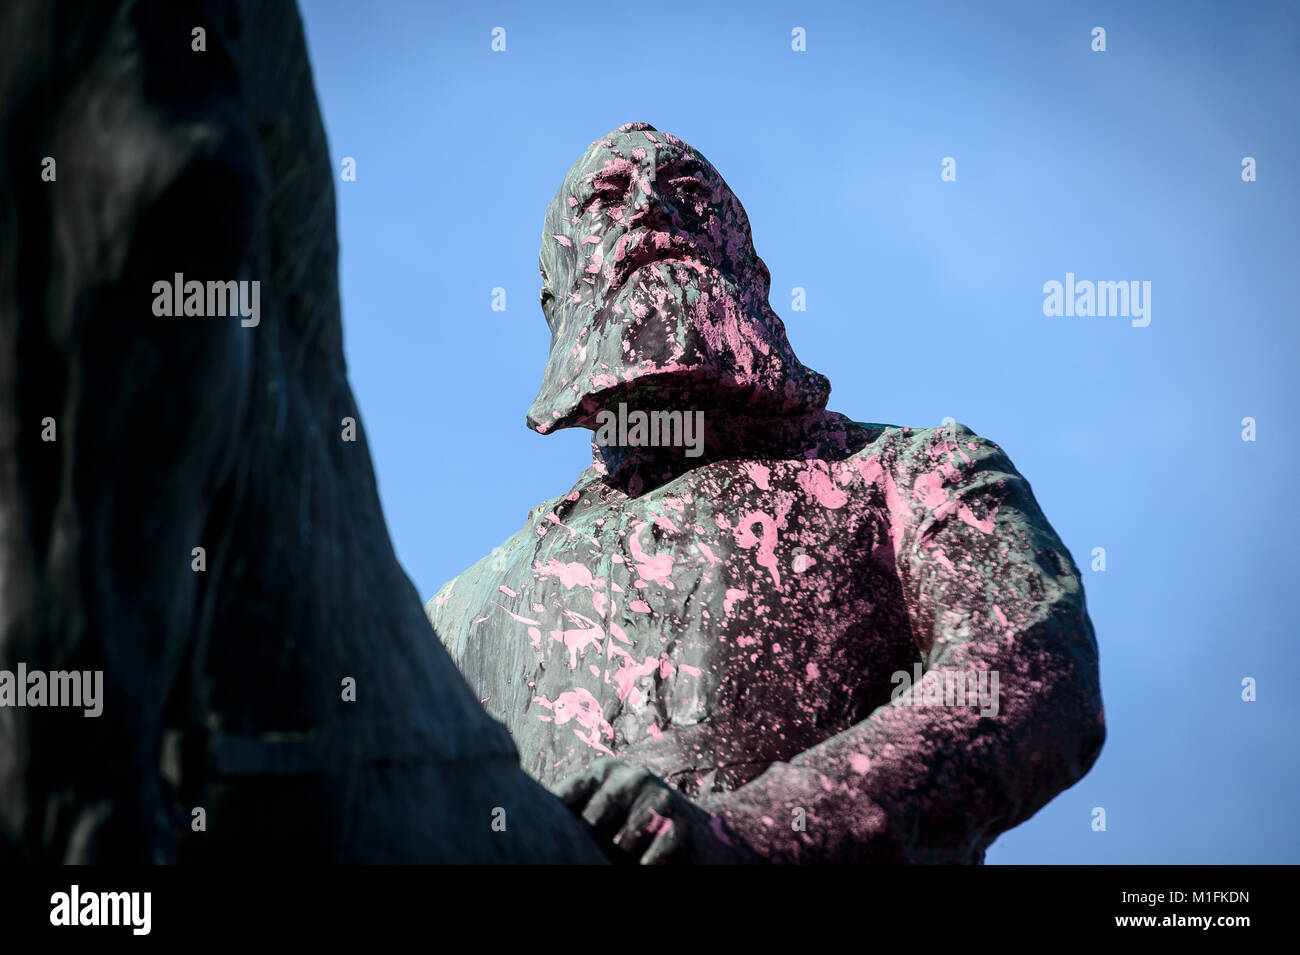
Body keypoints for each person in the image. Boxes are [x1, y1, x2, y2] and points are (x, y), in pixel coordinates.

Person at [429, 123, 1105, 864]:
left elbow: (1030, 677)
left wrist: (749, 834)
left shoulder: (913, 472)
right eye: (608, 198)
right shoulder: (460, 617)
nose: (652, 209)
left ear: (752, 273)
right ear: (555, 297)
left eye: (689, 194)